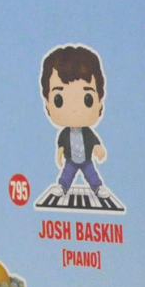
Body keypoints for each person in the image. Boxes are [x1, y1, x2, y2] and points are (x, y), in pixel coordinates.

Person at [40, 45, 111, 198]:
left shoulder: (88, 133)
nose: (73, 109)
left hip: (86, 160)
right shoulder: (64, 134)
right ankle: (62, 187)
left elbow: (94, 141)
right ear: (47, 103)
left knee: (92, 174)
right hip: (71, 160)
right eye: (59, 99)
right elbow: (61, 145)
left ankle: (98, 188)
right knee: (66, 174)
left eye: (87, 99)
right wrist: (59, 154)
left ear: (100, 101)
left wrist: (98, 148)